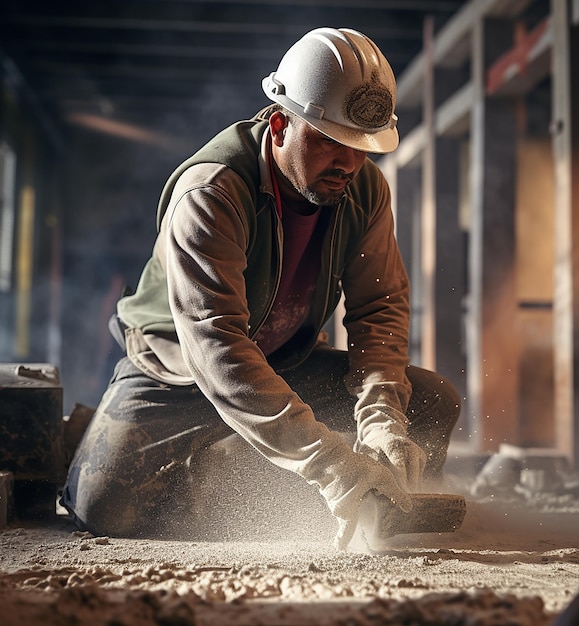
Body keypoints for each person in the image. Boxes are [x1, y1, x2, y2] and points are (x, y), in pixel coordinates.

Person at [61, 27, 461, 549]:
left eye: (361, 148)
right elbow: (219, 348)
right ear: (278, 125)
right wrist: (329, 463)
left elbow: (379, 307)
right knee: (105, 504)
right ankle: (254, 468)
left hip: (282, 364)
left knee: (432, 401)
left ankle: (381, 511)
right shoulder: (212, 194)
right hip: (180, 372)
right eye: (330, 142)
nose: (347, 164)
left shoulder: (363, 188)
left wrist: (382, 415)